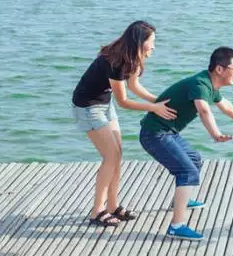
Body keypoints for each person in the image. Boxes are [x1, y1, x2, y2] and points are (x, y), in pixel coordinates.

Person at [139, 46, 233, 240]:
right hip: (154, 134)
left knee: (194, 160)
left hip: (167, 133)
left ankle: (180, 200)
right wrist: (216, 134)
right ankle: (176, 226)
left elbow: (225, 105)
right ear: (220, 69)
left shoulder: (210, 84)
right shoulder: (200, 84)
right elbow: (203, 110)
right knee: (188, 172)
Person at [72, 21, 177, 227]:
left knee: (117, 155)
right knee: (110, 157)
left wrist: (158, 101)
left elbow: (134, 86)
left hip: (104, 104)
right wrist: (154, 108)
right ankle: (97, 211)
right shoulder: (117, 61)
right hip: (87, 107)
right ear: (139, 42)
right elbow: (124, 102)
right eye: (152, 42)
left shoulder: (133, 57)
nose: (154, 46)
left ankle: (113, 206)